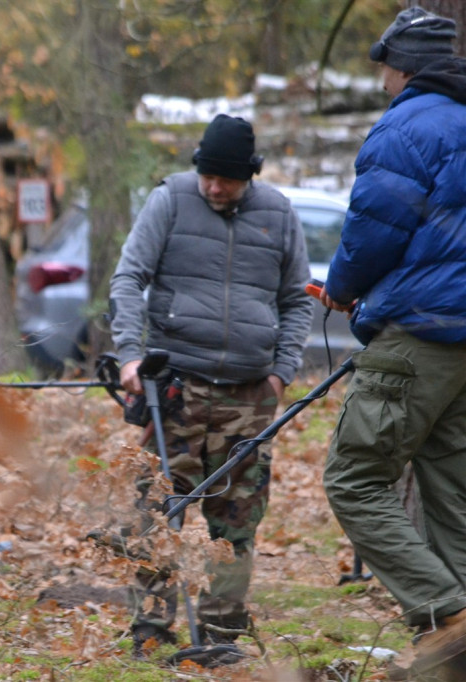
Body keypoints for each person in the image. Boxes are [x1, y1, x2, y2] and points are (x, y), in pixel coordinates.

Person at [107, 114, 313, 655]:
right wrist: (130, 355)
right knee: (154, 509)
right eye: (207, 176)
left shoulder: (279, 213)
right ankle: (151, 630)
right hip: (176, 386)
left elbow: (296, 299)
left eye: (226, 179)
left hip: (248, 393)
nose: (214, 187)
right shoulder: (171, 200)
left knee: (237, 517)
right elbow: (129, 277)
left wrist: (279, 372)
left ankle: (222, 631)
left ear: (249, 176)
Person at [314, 8, 466, 676]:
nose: (380, 80)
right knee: (448, 493)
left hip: (419, 332)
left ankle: (445, 615)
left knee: (353, 476)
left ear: (398, 65)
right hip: (462, 346)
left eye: (383, 67)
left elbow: (376, 224)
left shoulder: (408, 124)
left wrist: (343, 286)